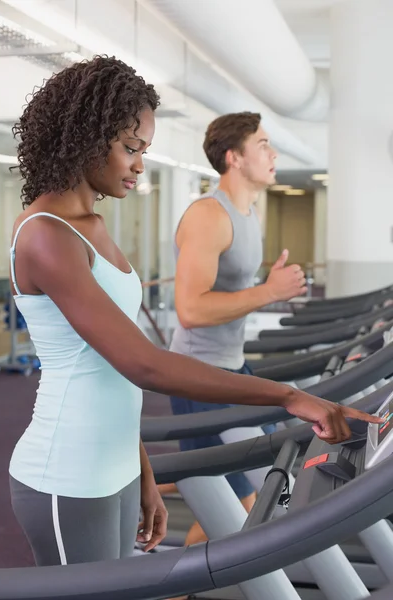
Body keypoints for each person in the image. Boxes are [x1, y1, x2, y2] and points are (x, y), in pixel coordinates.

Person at [7, 56, 382, 569]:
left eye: (145, 150)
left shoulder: (90, 222)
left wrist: (141, 473)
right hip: (65, 470)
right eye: (131, 148)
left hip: (114, 462)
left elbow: (110, 376)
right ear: (86, 139)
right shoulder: (46, 235)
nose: (139, 165)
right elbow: (143, 364)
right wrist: (290, 398)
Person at [160, 111, 320, 546]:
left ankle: (146, 485)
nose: (274, 153)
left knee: (257, 480)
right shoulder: (210, 216)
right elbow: (190, 309)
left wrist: (270, 289)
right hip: (199, 375)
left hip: (231, 367)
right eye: (263, 144)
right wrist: (269, 292)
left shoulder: (248, 214)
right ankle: (171, 590)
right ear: (234, 157)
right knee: (240, 506)